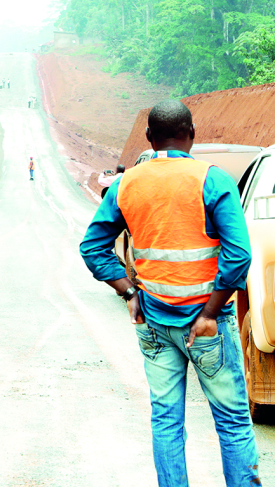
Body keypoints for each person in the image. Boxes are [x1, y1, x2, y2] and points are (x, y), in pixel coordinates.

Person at [79, 100, 259, 487]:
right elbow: (239, 255)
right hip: (206, 325)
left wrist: (129, 293)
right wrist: (211, 312)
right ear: (191, 133)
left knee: (166, 420)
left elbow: (93, 247)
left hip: (154, 323)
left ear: (149, 137)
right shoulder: (212, 179)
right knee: (231, 423)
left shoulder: (127, 184)